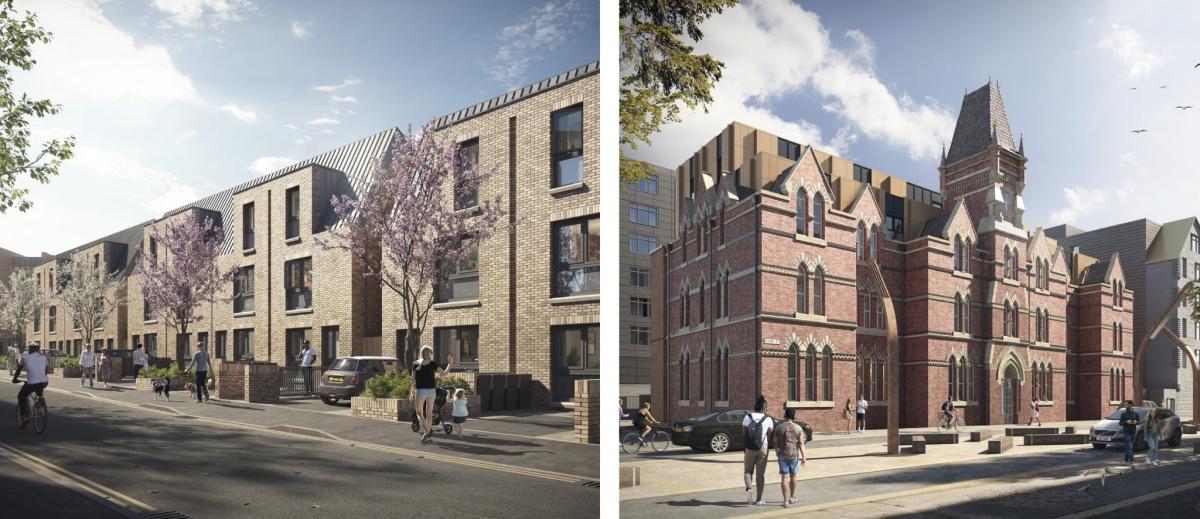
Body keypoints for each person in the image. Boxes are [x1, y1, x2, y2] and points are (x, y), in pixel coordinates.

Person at [408, 346, 453, 443]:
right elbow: (444, 374)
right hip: (432, 391)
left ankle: (426, 431)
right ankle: (426, 434)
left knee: (419, 413)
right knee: (429, 414)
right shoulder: (433, 364)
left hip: (421, 391)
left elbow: (413, 380)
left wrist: (410, 392)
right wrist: (449, 364)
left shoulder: (416, 364)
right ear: (429, 353)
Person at [742, 395, 774, 506]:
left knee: (747, 471)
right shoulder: (768, 419)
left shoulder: (747, 417)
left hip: (749, 447)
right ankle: (759, 499)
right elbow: (769, 434)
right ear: (764, 408)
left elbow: (744, 432)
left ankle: (749, 488)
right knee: (760, 475)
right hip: (763, 447)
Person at [773, 407, 807, 508]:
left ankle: (785, 501)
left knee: (784, 477)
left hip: (782, 454)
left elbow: (775, 442)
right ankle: (792, 497)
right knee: (793, 476)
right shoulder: (798, 428)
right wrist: (804, 457)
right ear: (794, 416)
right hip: (794, 455)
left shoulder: (779, 427)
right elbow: (801, 443)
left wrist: (776, 451)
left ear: (785, 415)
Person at [12, 343, 49, 429]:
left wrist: (15, 379)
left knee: (21, 395)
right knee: (39, 387)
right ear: (38, 350)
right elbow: (46, 370)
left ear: (30, 350)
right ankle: (40, 403)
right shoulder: (44, 358)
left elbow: (18, 370)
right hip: (44, 382)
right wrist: (42, 376)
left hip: (32, 383)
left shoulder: (25, 358)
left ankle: (23, 416)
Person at [1118, 400, 1140, 466]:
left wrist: (1135, 422)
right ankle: (1131, 461)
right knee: (1130, 447)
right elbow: (1120, 423)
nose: (1125, 406)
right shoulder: (1123, 414)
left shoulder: (1136, 414)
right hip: (1126, 432)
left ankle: (1125, 459)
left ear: (1130, 405)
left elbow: (1138, 422)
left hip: (1133, 432)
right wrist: (1126, 422)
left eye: (1126, 404)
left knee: (1129, 447)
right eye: (1125, 404)